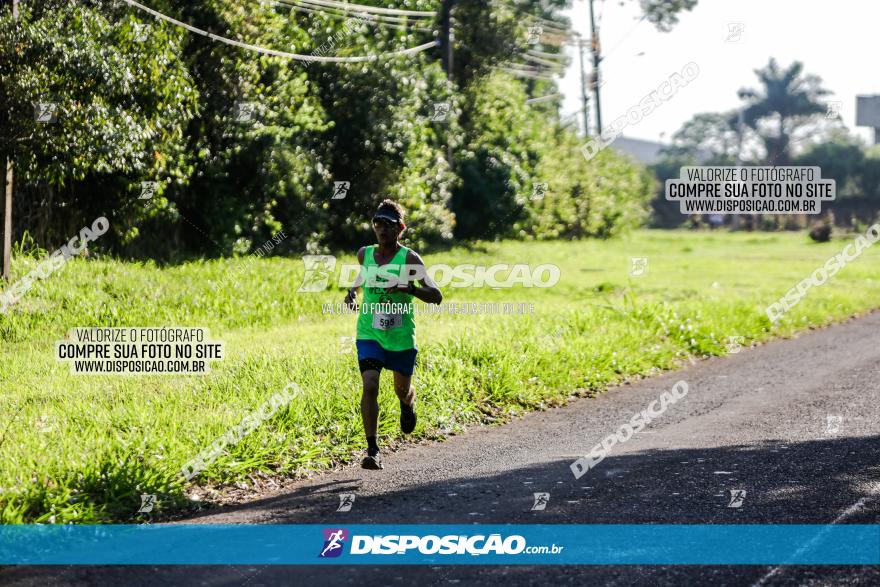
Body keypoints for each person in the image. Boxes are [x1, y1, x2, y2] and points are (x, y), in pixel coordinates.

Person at [344, 200, 442, 469]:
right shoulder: (364, 253)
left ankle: (407, 404)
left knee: (402, 390)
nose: (382, 229)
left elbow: (436, 296)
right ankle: (372, 449)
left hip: (400, 337)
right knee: (370, 384)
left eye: (388, 225)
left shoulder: (410, 259)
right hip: (370, 333)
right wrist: (352, 292)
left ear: (400, 228)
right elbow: (364, 276)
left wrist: (409, 289)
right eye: (378, 223)